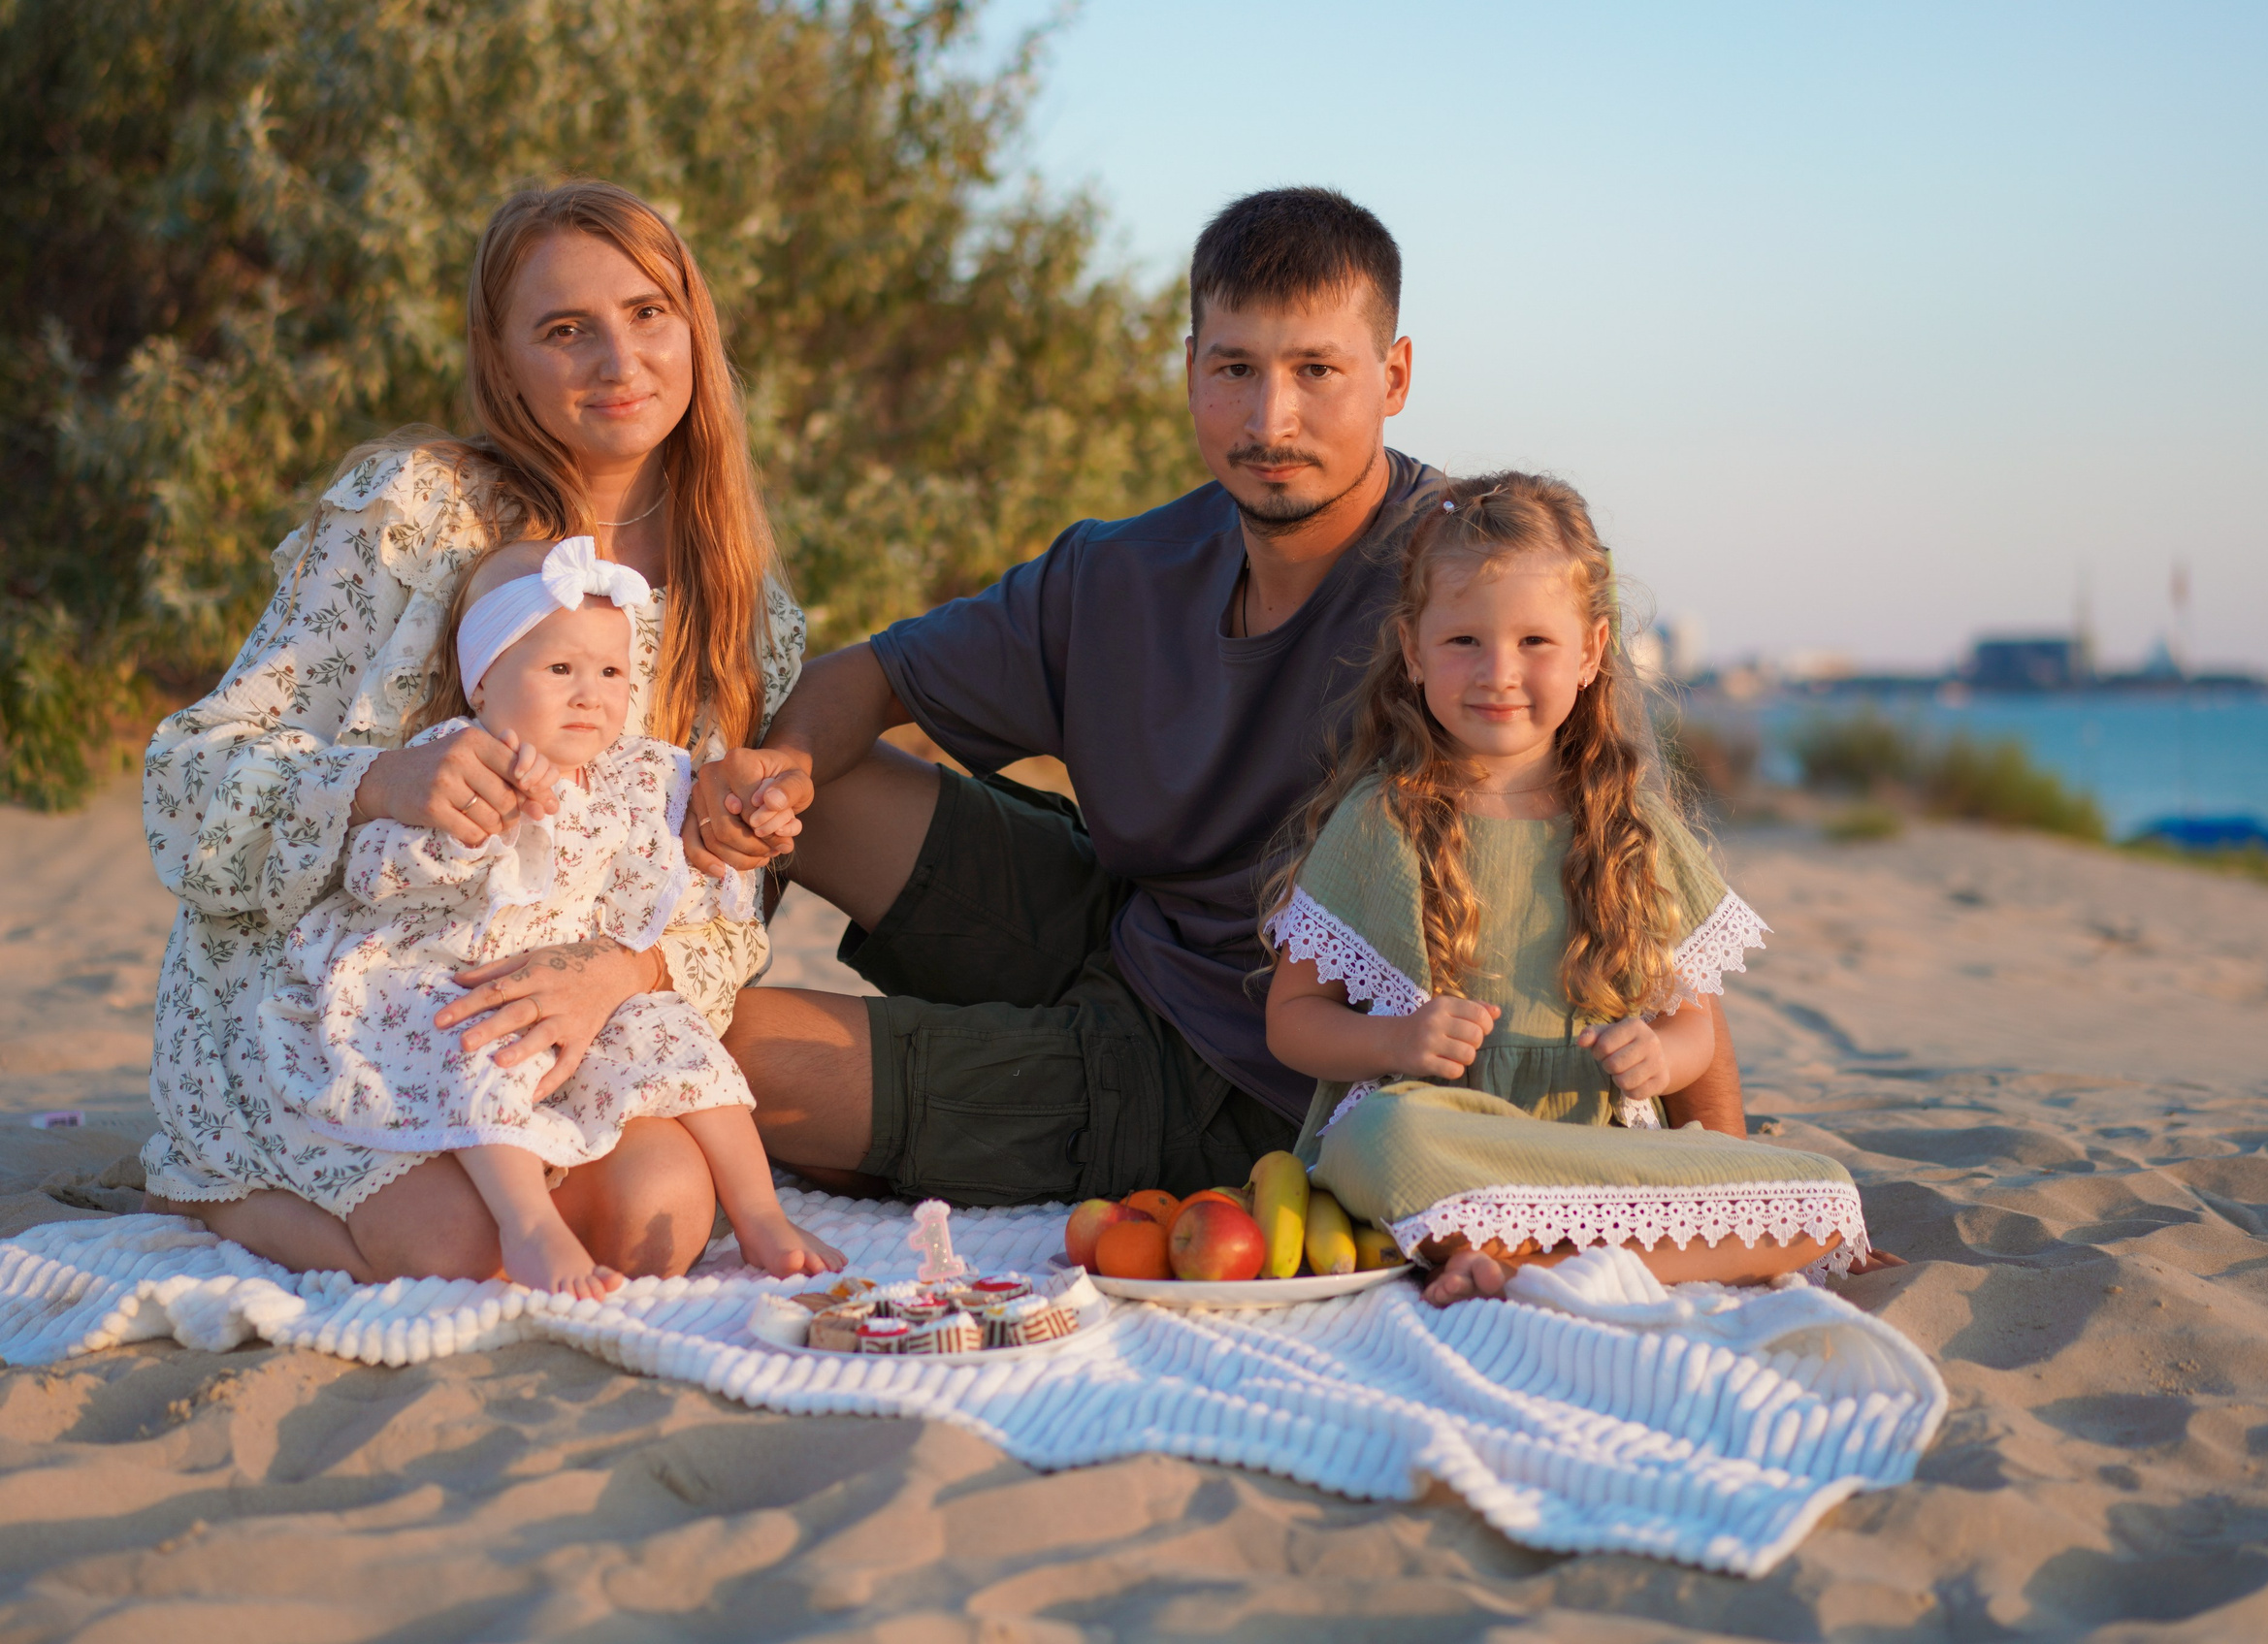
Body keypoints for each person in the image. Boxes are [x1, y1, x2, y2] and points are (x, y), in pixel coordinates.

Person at [690, 187, 1756, 1207]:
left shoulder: (1474, 593)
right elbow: (866, 676)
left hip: (1252, 1071)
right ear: (1191, 368)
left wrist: (1732, 1175)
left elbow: (1635, 892)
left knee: (718, 1054)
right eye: (1236, 367)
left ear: (1393, 376)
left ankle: (900, 1126)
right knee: (805, 784)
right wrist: (774, 775)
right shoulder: (1117, 570)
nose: (1270, 417)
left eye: (1316, 370)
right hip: (1123, 928)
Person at [142, 180, 807, 1284]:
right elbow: (184, 783)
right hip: (341, 997)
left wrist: (624, 967)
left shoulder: (744, 609)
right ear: (502, 362)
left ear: (694, 323)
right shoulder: (415, 511)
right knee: (454, 1248)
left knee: (662, 1214)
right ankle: (210, 1179)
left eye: (648, 312)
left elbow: (724, 924)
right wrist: (381, 783)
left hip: (555, 1018)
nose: (619, 359)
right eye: (565, 329)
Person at [1259, 473, 1869, 1304]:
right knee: (1382, 1134)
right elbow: (1293, 1019)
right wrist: (1396, 1042)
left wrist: (1662, 1056)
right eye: (1463, 640)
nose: (1498, 672)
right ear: (1413, 650)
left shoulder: (1628, 825)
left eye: (1534, 641)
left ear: (1590, 652)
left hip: (1596, 1149)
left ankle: (1522, 1265)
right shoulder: (1382, 819)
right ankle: (1548, 1256)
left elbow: (1694, 1025)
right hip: (1450, 1146)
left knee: (1823, 1192)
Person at [257, 537, 844, 1294]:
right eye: (560, 669)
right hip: (450, 967)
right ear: (484, 682)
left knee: (671, 1028)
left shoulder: (636, 774)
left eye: (610, 673)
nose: (589, 695)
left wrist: (742, 822)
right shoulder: (455, 757)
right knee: (476, 1041)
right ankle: (527, 1221)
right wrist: (478, 831)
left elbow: (684, 876)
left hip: (577, 981)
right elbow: (377, 873)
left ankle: (760, 1211)